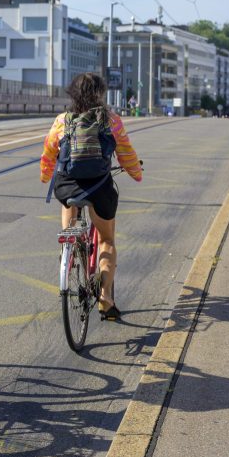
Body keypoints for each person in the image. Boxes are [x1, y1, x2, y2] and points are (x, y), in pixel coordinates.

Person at [40, 72, 142, 320]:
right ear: (101, 94)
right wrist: (135, 173)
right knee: (106, 240)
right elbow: (127, 153)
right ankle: (105, 298)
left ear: (72, 93)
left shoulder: (62, 120)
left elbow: (49, 153)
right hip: (99, 188)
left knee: (68, 201)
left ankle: (69, 245)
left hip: (67, 187)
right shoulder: (111, 121)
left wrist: (45, 177)